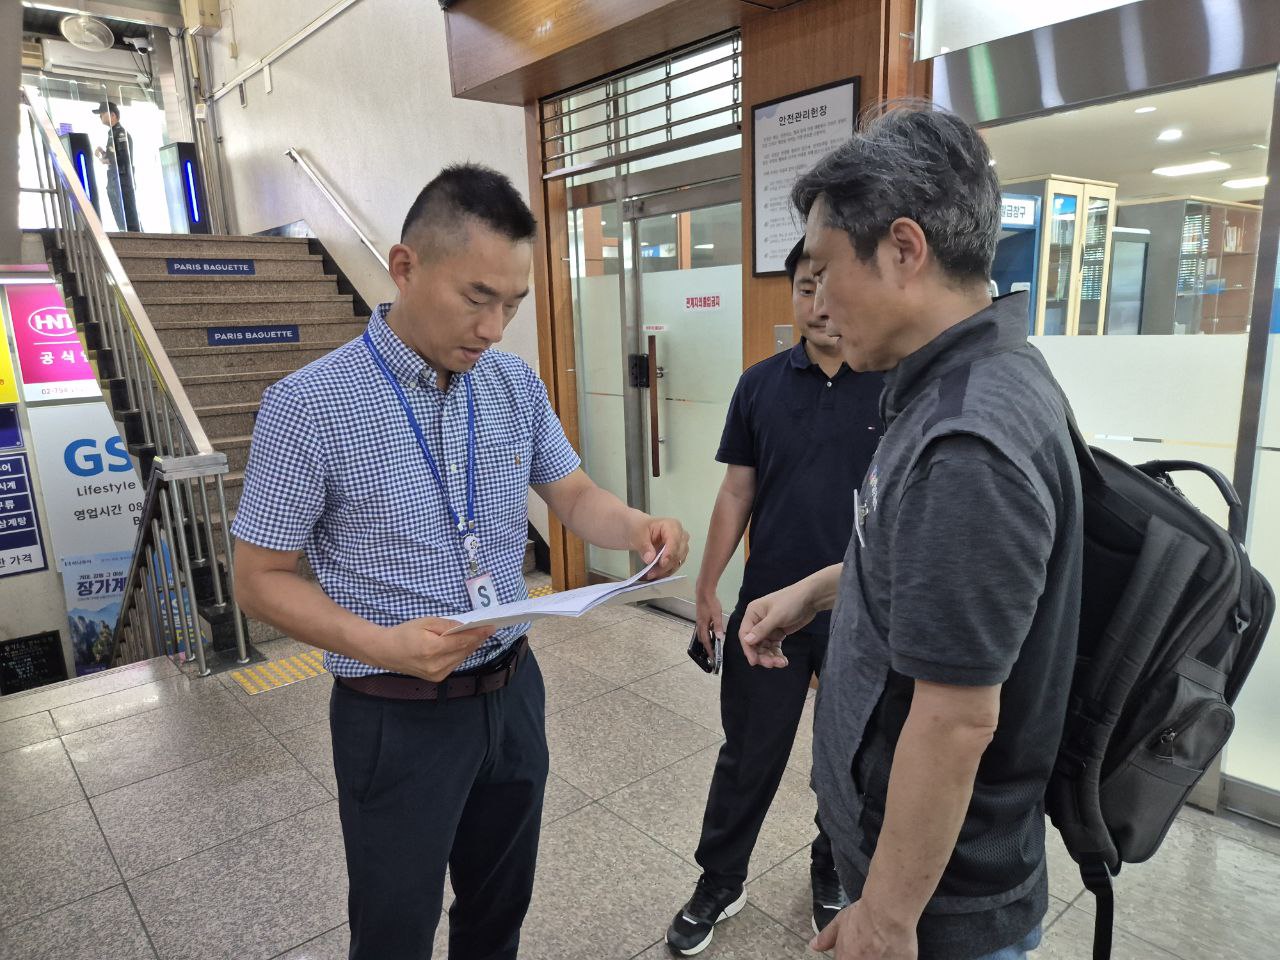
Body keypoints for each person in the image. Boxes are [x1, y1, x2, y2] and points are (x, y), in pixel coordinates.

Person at [231, 163, 689, 960]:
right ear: (405, 267)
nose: (493, 328)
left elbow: (572, 493)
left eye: (510, 304)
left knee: (498, 908)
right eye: (477, 298)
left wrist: (639, 525)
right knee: (395, 926)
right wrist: (381, 643)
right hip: (394, 711)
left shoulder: (511, 384)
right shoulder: (308, 404)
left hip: (512, 692)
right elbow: (257, 578)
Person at [739, 102, 1083, 960]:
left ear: (902, 249)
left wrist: (886, 918)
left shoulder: (969, 441)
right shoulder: (960, 383)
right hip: (919, 869)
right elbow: (929, 576)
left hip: (939, 907)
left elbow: (958, 714)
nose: (814, 302)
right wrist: (818, 590)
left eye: (822, 270)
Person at [665, 237, 883, 955]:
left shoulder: (893, 381)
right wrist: (706, 588)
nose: (818, 304)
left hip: (864, 610)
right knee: (749, 751)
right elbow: (737, 490)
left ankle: (831, 866)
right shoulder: (759, 384)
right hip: (768, 612)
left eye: (831, 286)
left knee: (849, 754)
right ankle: (720, 880)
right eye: (803, 287)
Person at [94, 102, 139, 232]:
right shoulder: (112, 134)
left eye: (102, 113)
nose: (100, 116)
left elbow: (119, 158)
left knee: (127, 214)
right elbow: (112, 156)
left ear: (113, 115)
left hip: (122, 179)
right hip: (116, 178)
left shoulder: (119, 133)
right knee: (121, 214)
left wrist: (104, 157)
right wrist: (103, 154)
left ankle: (135, 240)